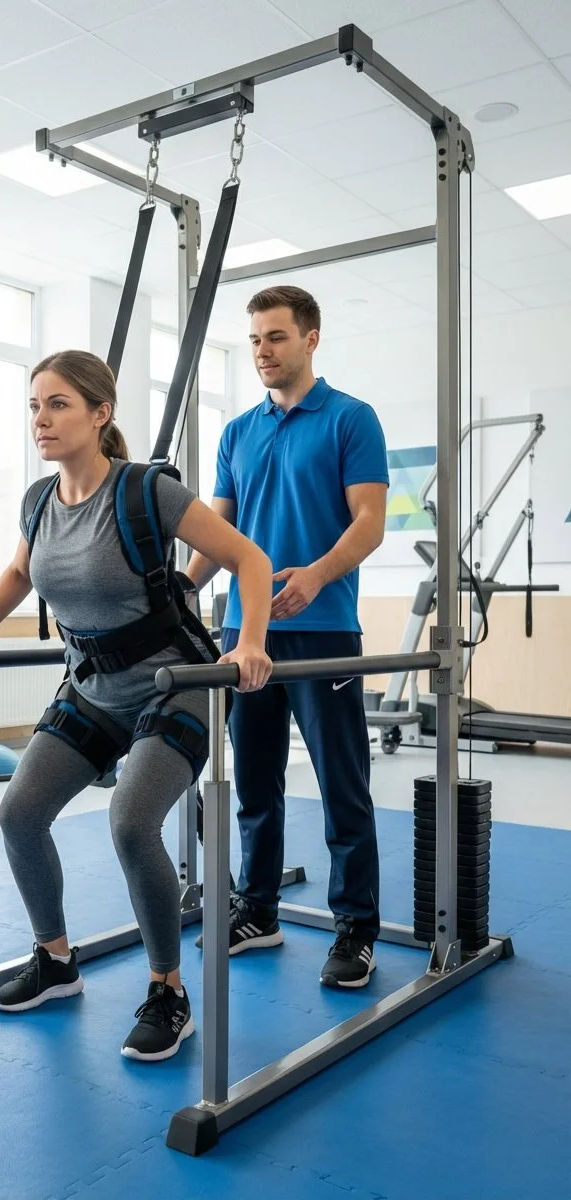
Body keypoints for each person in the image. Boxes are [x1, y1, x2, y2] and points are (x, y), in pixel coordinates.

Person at [0, 349, 273, 1061]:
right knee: (19, 813)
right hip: (92, 687)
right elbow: (17, 572)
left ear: (101, 413)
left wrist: (248, 643)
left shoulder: (144, 493)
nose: (41, 419)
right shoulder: (38, 501)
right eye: (34, 406)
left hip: (175, 686)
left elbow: (252, 559)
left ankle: (168, 992)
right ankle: (56, 961)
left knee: (130, 823)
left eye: (58, 404)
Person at [185, 285, 389, 989]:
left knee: (342, 784)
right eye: (254, 340)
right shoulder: (238, 431)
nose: (263, 352)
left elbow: (369, 521)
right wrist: (182, 589)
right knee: (255, 782)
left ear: (311, 339)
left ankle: (356, 928)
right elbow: (217, 530)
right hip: (246, 633)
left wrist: (320, 574)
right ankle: (259, 909)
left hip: (323, 628)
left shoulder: (351, 419)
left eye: (275, 337)